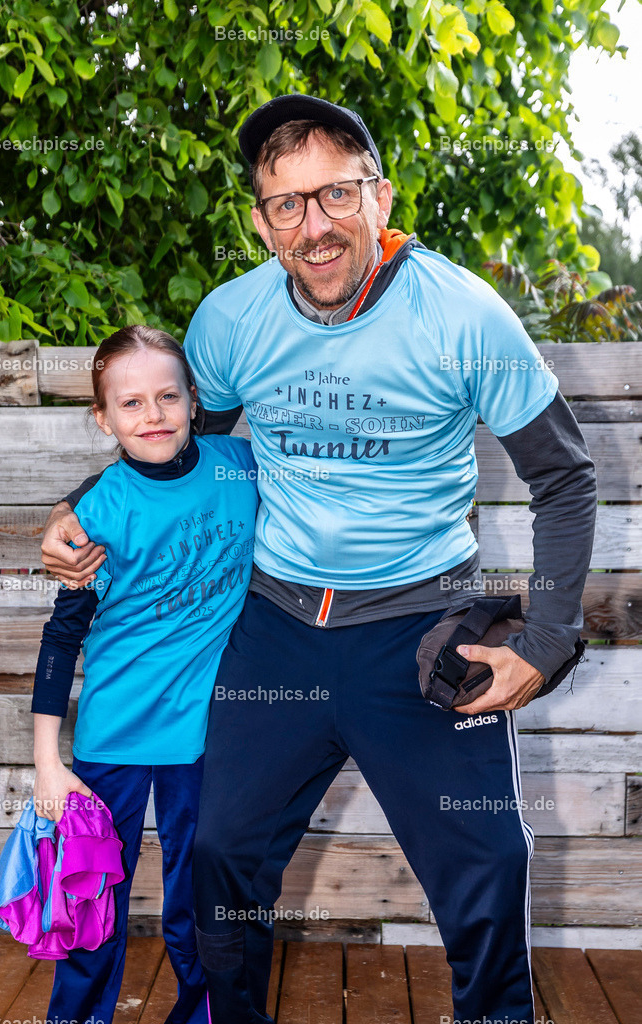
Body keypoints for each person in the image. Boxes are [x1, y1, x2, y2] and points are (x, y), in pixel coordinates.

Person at [41, 97, 598, 1024]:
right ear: (261, 222)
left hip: (419, 631)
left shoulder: (461, 313)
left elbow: (565, 477)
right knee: (219, 853)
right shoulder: (229, 321)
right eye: (287, 205)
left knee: (490, 864)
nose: (315, 225)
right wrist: (82, 509)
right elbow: (184, 460)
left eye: (335, 194)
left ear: (379, 195)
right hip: (276, 633)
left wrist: (546, 639)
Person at [32, 325, 258, 1024]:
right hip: (113, 741)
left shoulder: (242, 468)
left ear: (194, 399)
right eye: (129, 405)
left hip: (205, 741)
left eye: (167, 396)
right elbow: (62, 636)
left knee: (197, 911)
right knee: (91, 906)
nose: (152, 415)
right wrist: (46, 760)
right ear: (102, 419)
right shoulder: (99, 510)